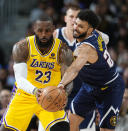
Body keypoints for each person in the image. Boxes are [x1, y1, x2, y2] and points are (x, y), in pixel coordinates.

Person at [0, 15, 73, 131]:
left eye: (47, 31)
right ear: (34, 29)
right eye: (40, 30)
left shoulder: (63, 50)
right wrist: (35, 91)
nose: (43, 34)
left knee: (62, 128)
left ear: (53, 29)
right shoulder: (22, 47)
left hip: (50, 96)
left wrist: (65, 94)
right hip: (25, 95)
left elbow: (68, 78)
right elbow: (19, 79)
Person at [57, 9, 125, 131]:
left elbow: (74, 69)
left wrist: (61, 84)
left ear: (90, 30)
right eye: (76, 23)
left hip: (110, 88)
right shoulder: (96, 33)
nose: (75, 27)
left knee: (105, 129)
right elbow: (107, 38)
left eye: (80, 26)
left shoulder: (85, 49)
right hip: (90, 86)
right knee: (70, 123)